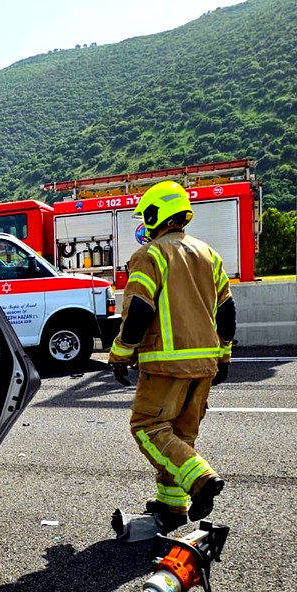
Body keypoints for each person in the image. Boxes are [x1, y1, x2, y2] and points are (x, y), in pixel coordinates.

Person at [107, 181, 235, 533]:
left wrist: (120, 354)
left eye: (145, 217)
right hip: (205, 364)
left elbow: (139, 311)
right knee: (180, 435)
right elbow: (227, 312)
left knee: (147, 428)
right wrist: (223, 356)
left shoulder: (151, 255)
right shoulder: (210, 254)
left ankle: (202, 481)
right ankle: (173, 507)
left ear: (155, 214)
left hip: (165, 363)